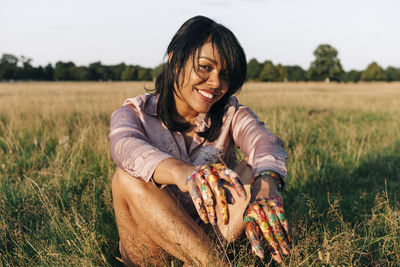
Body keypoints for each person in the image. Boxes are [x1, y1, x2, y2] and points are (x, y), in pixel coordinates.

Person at [109, 15, 290, 266]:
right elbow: (124, 148)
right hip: (151, 251)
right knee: (126, 177)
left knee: (253, 169)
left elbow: (265, 142)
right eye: (205, 67)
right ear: (175, 60)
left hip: (215, 238)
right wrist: (182, 173)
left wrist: (267, 187)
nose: (217, 83)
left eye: (225, 74)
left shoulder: (230, 114)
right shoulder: (134, 114)